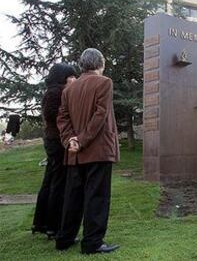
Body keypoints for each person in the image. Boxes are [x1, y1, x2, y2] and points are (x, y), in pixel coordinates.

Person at [56, 48, 120, 254]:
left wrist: (69, 141)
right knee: (97, 196)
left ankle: (64, 239)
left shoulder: (69, 89)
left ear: (83, 65)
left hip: (75, 153)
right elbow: (100, 115)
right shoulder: (104, 82)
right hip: (98, 150)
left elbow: (62, 118)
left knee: (73, 197)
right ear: (100, 64)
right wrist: (81, 140)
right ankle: (92, 243)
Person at [32, 63, 77, 239]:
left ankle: (42, 223)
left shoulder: (53, 91)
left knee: (50, 180)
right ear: (63, 77)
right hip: (57, 141)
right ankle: (54, 225)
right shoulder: (57, 92)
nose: (74, 79)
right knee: (59, 182)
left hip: (52, 140)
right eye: (71, 76)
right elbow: (53, 115)